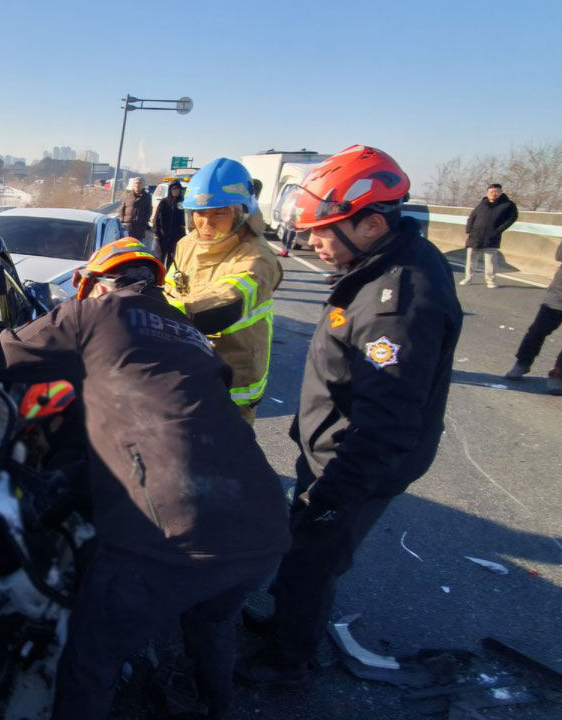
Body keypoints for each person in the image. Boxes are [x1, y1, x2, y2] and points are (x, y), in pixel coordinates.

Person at [0, 239, 291, 720]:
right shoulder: (189, 333)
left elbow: (2, 352)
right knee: (213, 624)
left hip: (170, 538)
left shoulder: (93, 315)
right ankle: (215, 706)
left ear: (94, 286)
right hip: (264, 526)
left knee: (92, 657)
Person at [240, 145, 463, 684]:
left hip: (353, 464)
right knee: (302, 551)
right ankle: (287, 626)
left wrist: (334, 494)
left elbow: (386, 419)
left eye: (324, 230)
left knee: (315, 557)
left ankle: (288, 663)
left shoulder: (399, 301)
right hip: (331, 450)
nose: (311, 242)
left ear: (369, 224)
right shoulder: (380, 265)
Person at [163, 158, 283, 423]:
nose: (206, 224)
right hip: (188, 368)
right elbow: (170, 288)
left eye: (219, 213)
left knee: (226, 459)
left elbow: (227, 303)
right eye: (200, 213)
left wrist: (163, 314)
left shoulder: (257, 257)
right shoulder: (187, 245)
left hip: (233, 385)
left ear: (241, 213)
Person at [504, 240, 562, 394]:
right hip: (558, 295)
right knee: (538, 330)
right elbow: (560, 254)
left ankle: (558, 373)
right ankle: (523, 362)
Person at [462, 183, 518, 288]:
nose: (494, 194)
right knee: (471, 258)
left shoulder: (508, 205)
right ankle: (468, 278)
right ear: (488, 193)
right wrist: (469, 229)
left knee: (490, 261)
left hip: (492, 236)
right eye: (491, 192)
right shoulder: (482, 204)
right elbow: (472, 217)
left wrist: (499, 230)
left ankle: (491, 280)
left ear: (501, 192)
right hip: (476, 236)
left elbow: (513, 218)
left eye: (496, 191)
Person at [153, 180, 187, 267]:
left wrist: (183, 231)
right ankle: (159, 275)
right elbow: (157, 218)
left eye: (178, 190)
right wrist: (157, 232)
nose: (176, 192)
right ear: (170, 190)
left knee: (173, 258)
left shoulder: (182, 203)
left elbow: (185, 219)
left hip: (177, 236)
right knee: (160, 257)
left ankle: (169, 275)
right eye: (174, 189)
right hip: (163, 235)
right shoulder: (164, 202)